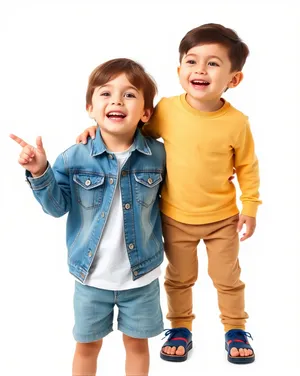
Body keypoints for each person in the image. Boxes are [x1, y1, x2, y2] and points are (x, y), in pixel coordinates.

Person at [76, 23, 261, 365]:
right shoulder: (167, 111)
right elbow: (129, 129)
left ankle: (235, 328)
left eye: (213, 64)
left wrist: (249, 206)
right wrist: (97, 130)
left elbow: (248, 167)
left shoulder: (237, 122)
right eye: (192, 62)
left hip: (223, 219)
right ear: (180, 71)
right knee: (179, 278)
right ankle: (180, 327)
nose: (200, 70)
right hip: (174, 217)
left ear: (233, 79)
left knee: (227, 278)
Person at [10, 58, 166, 376]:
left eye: (129, 95)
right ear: (90, 108)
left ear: (146, 113)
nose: (117, 101)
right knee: (86, 347)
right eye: (105, 94)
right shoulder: (76, 156)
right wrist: (40, 171)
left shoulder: (160, 155)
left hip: (141, 277)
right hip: (90, 278)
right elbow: (56, 207)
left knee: (137, 345)